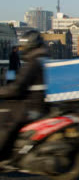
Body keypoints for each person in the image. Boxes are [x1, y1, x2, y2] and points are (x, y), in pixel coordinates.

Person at [0, 30, 49, 161]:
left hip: (30, 105)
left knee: (6, 120)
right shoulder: (39, 60)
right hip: (34, 99)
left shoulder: (32, 62)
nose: (20, 49)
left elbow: (16, 85)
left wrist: (7, 87)